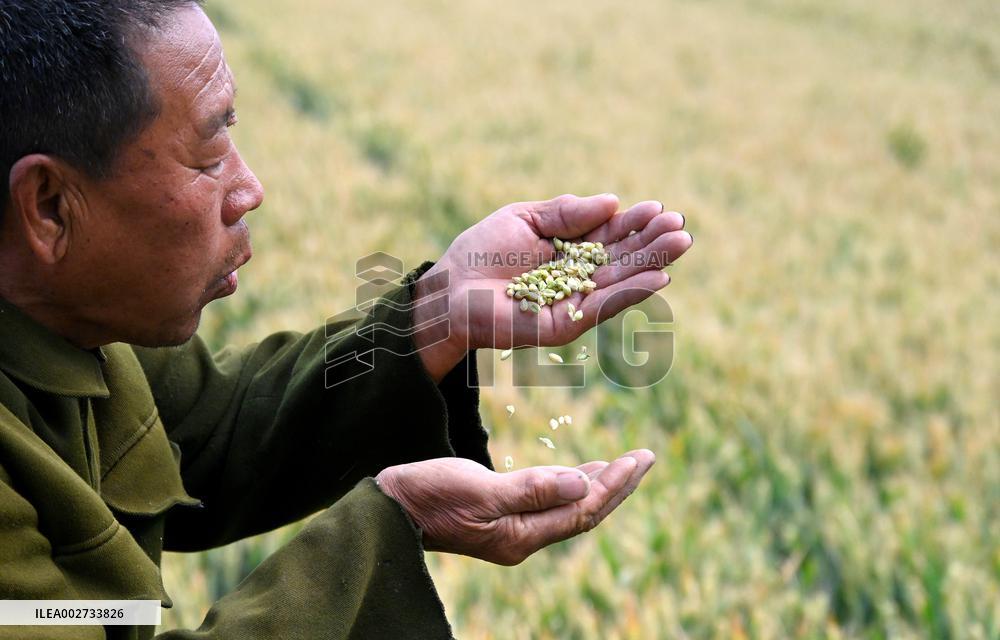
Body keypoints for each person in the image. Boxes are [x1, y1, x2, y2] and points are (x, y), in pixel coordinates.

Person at [0, 1, 693, 638]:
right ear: (51, 206)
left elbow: (209, 428)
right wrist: (391, 523)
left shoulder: (71, 324)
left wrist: (434, 316)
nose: (249, 189)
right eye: (209, 156)